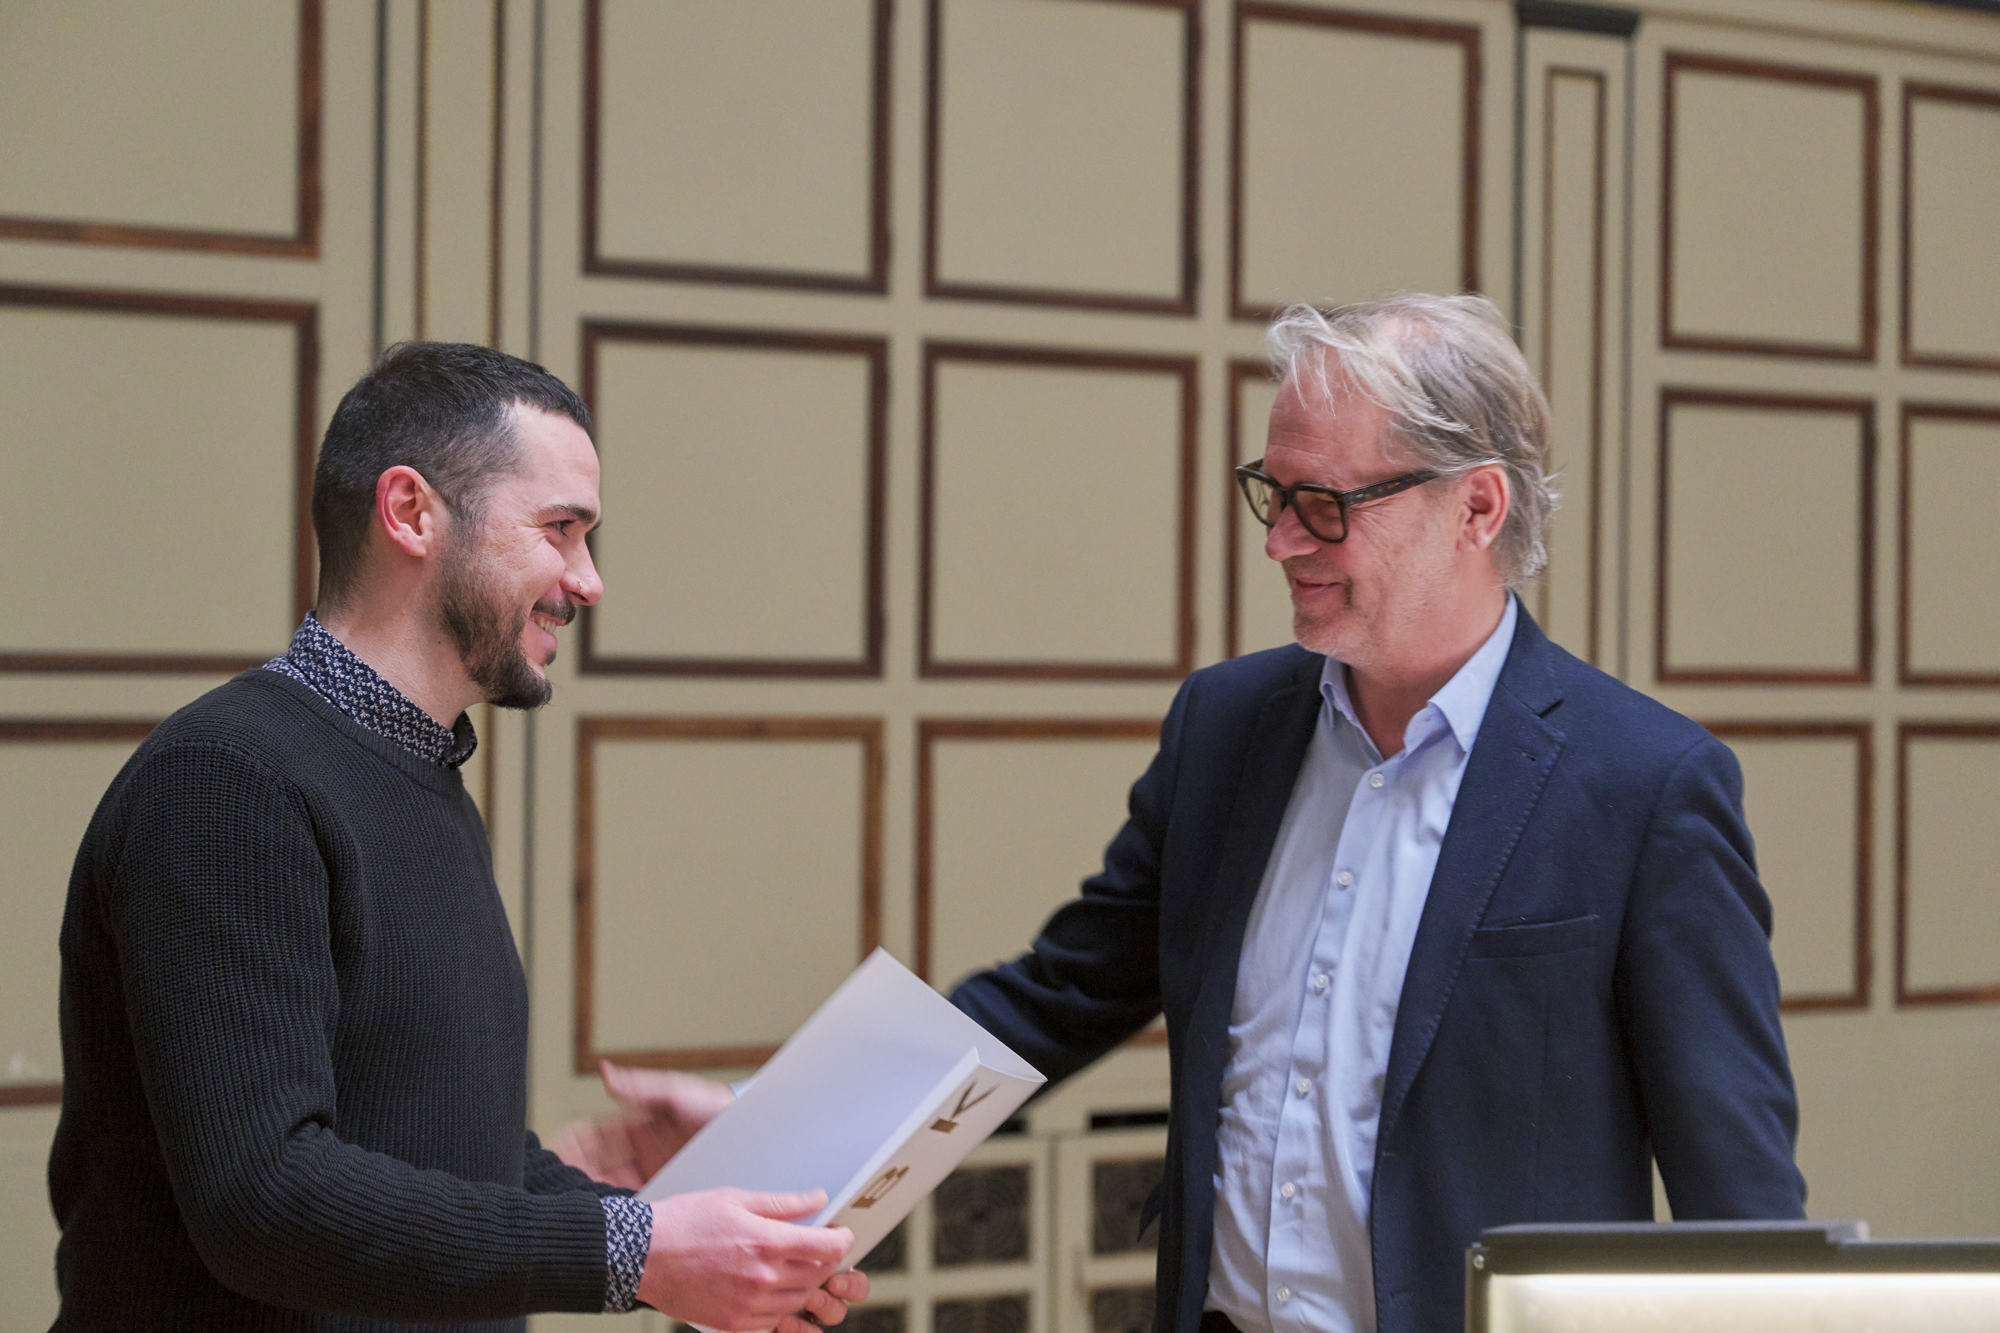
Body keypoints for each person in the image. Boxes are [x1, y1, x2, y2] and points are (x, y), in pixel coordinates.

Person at [945, 293, 1808, 1333]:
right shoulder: (1223, 729)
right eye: (1273, 493)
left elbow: (1738, 1199)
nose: (1280, 544)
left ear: (1476, 508)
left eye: (1326, 504)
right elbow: (1053, 999)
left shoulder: (1644, 786)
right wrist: (783, 1139)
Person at [48, 342, 866, 1332]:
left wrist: (695, 1238)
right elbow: (264, 1201)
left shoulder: (423, 778)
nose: (588, 580)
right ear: (411, 513)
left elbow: (448, 1163)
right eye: (559, 530)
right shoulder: (229, 780)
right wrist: (641, 1249)